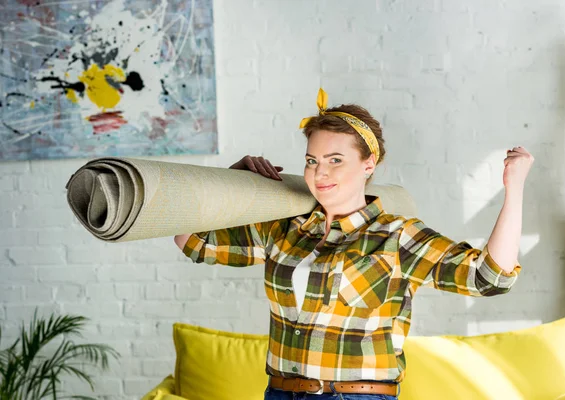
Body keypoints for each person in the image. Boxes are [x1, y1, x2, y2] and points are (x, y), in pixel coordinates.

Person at [174, 88, 534, 399]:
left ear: (368, 164)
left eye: (336, 160)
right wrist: (232, 182)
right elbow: (192, 240)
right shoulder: (283, 229)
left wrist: (514, 186)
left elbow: (491, 278)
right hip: (280, 392)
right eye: (312, 161)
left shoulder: (396, 236)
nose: (320, 173)